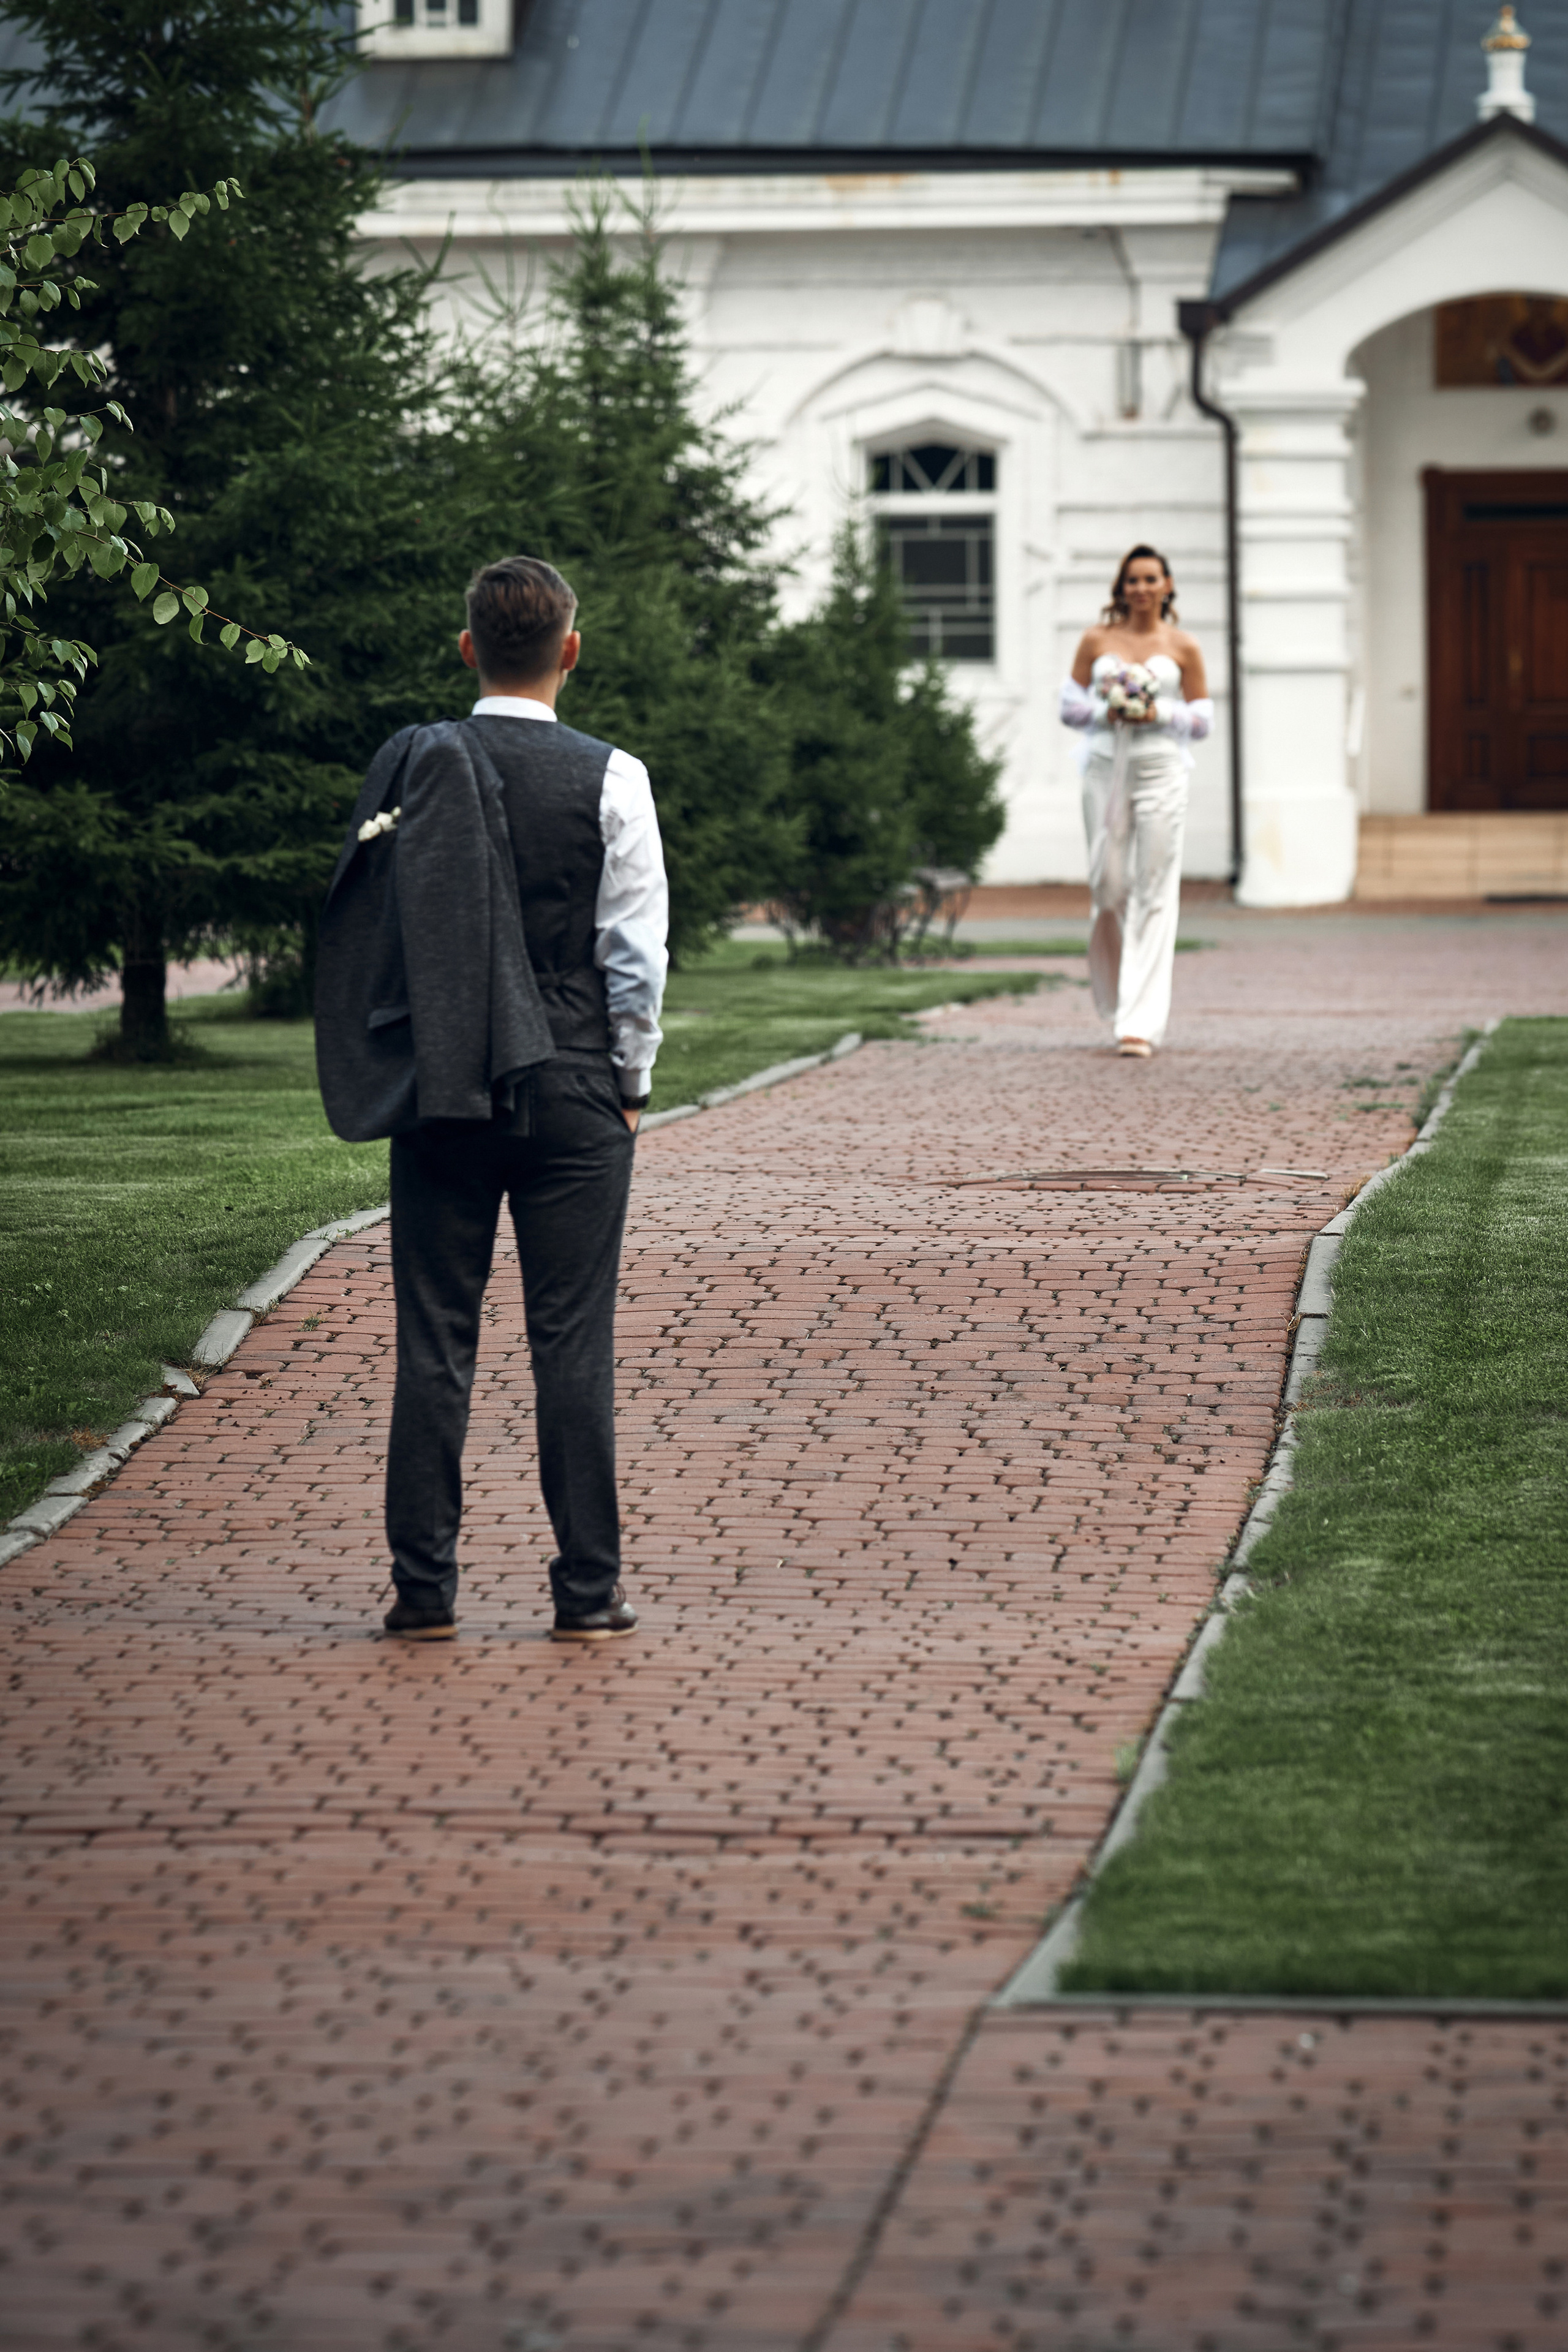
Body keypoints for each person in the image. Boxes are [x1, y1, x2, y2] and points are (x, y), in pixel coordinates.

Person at [314, 556, 668, 1643]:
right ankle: (587, 1593)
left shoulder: (421, 765)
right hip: (570, 1082)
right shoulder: (616, 776)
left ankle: (422, 1594)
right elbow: (634, 955)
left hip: (447, 1082)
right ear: (571, 649)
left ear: (467, 648)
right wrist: (633, 1080)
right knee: (573, 1342)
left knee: (433, 1339)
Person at [1060, 545, 1212, 1057]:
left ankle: (1139, 1024)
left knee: (1153, 889)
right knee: (1108, 885)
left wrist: (1158, 712)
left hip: (1162, 772)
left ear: (1167, 585)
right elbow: (1069, 708)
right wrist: (1111, 709)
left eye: (1151, 579)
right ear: (1121, 588)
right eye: (1133, 580)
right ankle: (1114, 991)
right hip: (1105, 770)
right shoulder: (1096, 639)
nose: (1141, 589)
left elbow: (1202, 720)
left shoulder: (1184, 646)